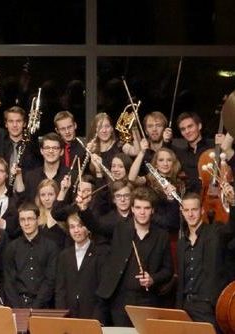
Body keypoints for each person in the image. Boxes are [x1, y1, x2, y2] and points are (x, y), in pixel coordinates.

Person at [78, 187, 173, 326]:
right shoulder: (120, 227)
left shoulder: (161, 236)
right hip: (119, 299)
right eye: (138, 207)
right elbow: (96, 226)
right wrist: (84, 208)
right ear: (132, 209)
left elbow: (168, 270)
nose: (142, 212)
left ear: (152, 210)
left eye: (146, 208)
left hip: (147, 300)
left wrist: (153, 279)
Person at [176, 191, 235, 332]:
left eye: (194, 209)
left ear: (202, 210)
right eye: (187, 210)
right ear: (182, 212)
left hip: (209, 308)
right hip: (185, 308)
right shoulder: (181, 242)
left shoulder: (216, 231)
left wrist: (233, 203)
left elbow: (232, 228)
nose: (190, 214)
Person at [3, 202, 58, 308]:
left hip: (44, 306)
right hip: (17, 305)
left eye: (30, 219)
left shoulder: (51, 247)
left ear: (38, 219)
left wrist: (37, 305)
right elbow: (9, 282)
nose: (26, 223)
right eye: (22, 220)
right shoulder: (12, 248)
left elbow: (50, 280)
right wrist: (18, 308)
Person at [55, 213, 108, 322]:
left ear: (88, 228)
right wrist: (61, 316)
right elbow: (60, 289)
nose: (76, 230)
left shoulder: (100, 253)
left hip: (92, 315)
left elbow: (103, 289)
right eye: (72, 227)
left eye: (80, 226)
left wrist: (97, 318)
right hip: (69, 315)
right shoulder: (64, 255)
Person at [171, 112, 214, 193]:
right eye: (183, 129)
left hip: (213, 196)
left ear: (199, 126)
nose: (187, 131)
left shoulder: (214, 145)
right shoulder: (182, 153)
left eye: (190, 126)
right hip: (191, 200)